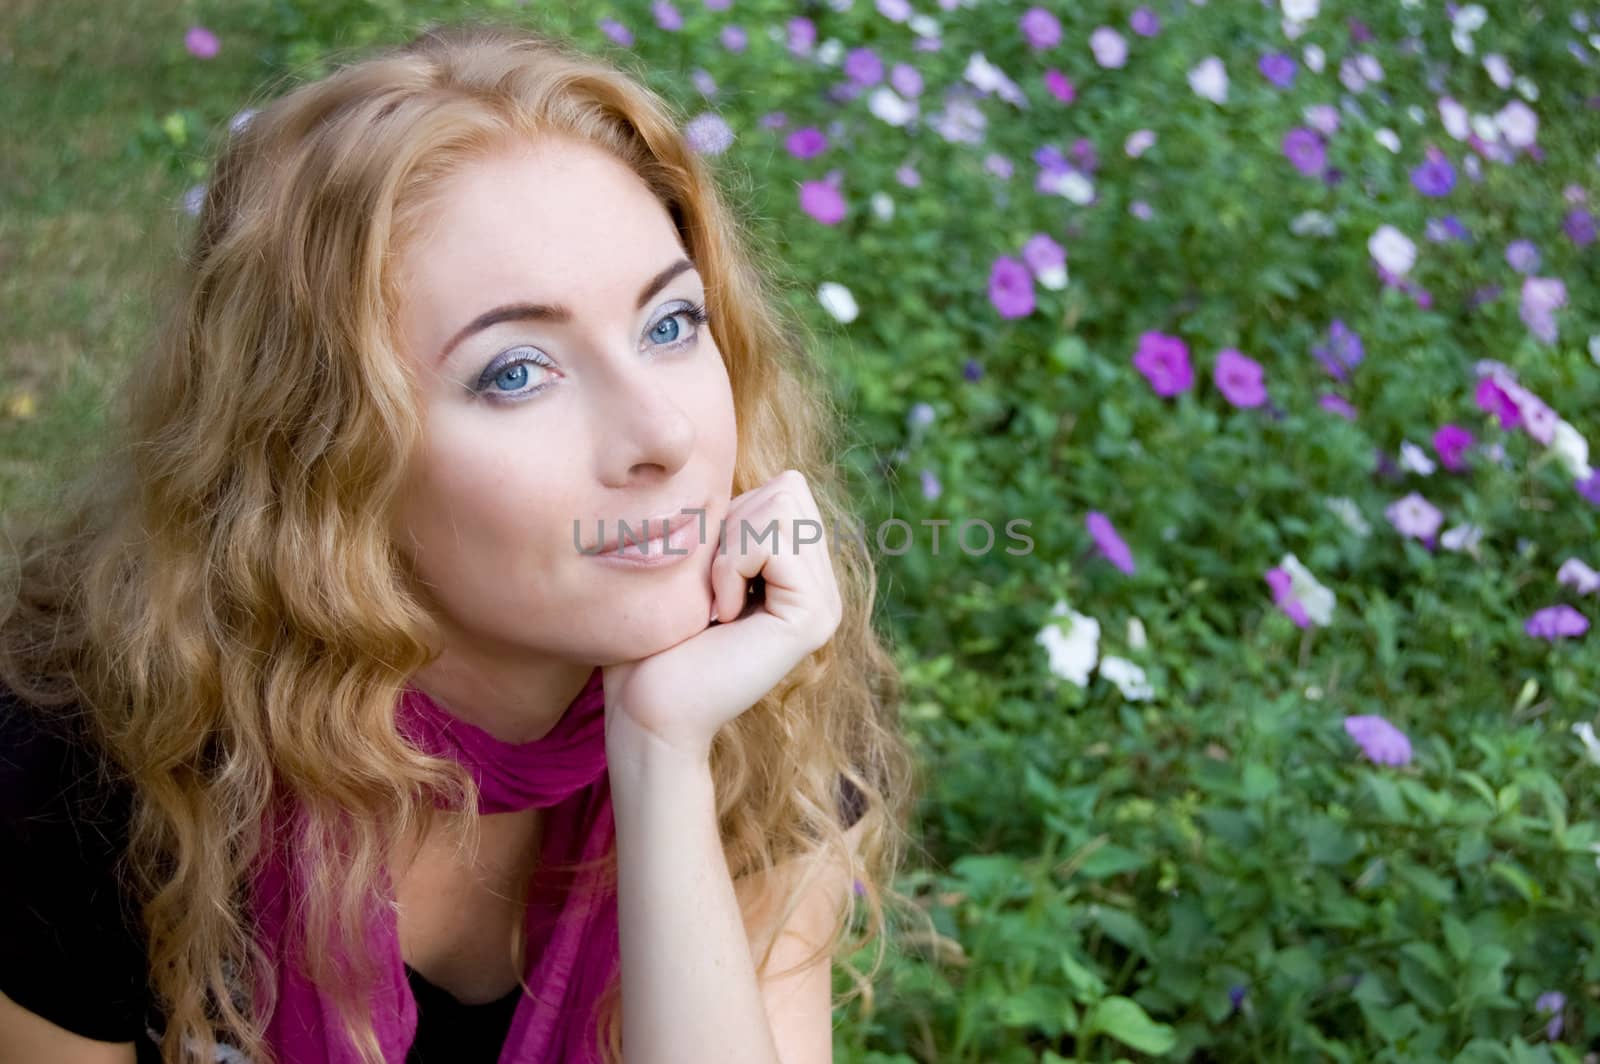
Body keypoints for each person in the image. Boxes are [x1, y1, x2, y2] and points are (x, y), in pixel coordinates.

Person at [0, 19, 921, 1064]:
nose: (661, 436)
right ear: (325, 453)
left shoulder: (766, 721)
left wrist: (664, 753)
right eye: (516, 371)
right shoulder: (87, 773)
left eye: (669, 324)